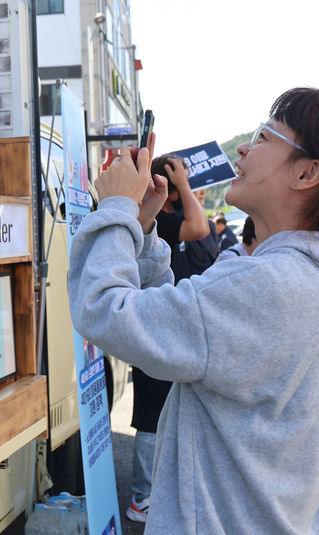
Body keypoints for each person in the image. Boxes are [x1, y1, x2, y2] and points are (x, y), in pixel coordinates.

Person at [69, 88, 319, 535]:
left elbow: (104, 310)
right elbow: (177, 332)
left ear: (307, 173)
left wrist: (117, 208)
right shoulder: (303, 279)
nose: (244, 147)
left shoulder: (274, 286)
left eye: (265, 135)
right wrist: (145, 227)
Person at [124, 153, 214, 523]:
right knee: (150, 415)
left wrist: (183, 185)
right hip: (155, 322)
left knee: (163, 410)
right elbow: (200, 228)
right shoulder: (157, 217)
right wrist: (181, 185)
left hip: (167, 320)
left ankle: (151, 492)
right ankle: (141, 497)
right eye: (180, 179)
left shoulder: (164, 216)